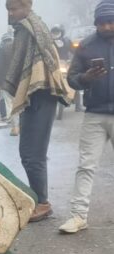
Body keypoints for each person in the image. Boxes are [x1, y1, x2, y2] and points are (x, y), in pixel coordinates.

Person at [3, 0, 73, 222]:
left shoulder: (31, 28)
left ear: (27, 6)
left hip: (40, 93)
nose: (10, 14)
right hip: (33, 94)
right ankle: (39, 199)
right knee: (28, 153)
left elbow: (44, 61)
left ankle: (42, 203)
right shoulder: (27, 27)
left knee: (32, 154)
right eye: (8, 10)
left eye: (14, 9)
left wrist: (30, 85)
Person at [59, 1, 114, 234]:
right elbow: (72, 79)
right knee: (86, 166)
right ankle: (78, 216)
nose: (107, 26)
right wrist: (86, 78)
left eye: (111, 21)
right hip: (94, 114)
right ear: (96, 23)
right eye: (102, 23)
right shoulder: (86, 45)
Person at [0, 31, 20, 136]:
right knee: (21, 103)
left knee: (10, 105)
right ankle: (22, 125)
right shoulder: (19, 49)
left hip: (6, 83)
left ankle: (15, 127)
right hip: (20, 81)